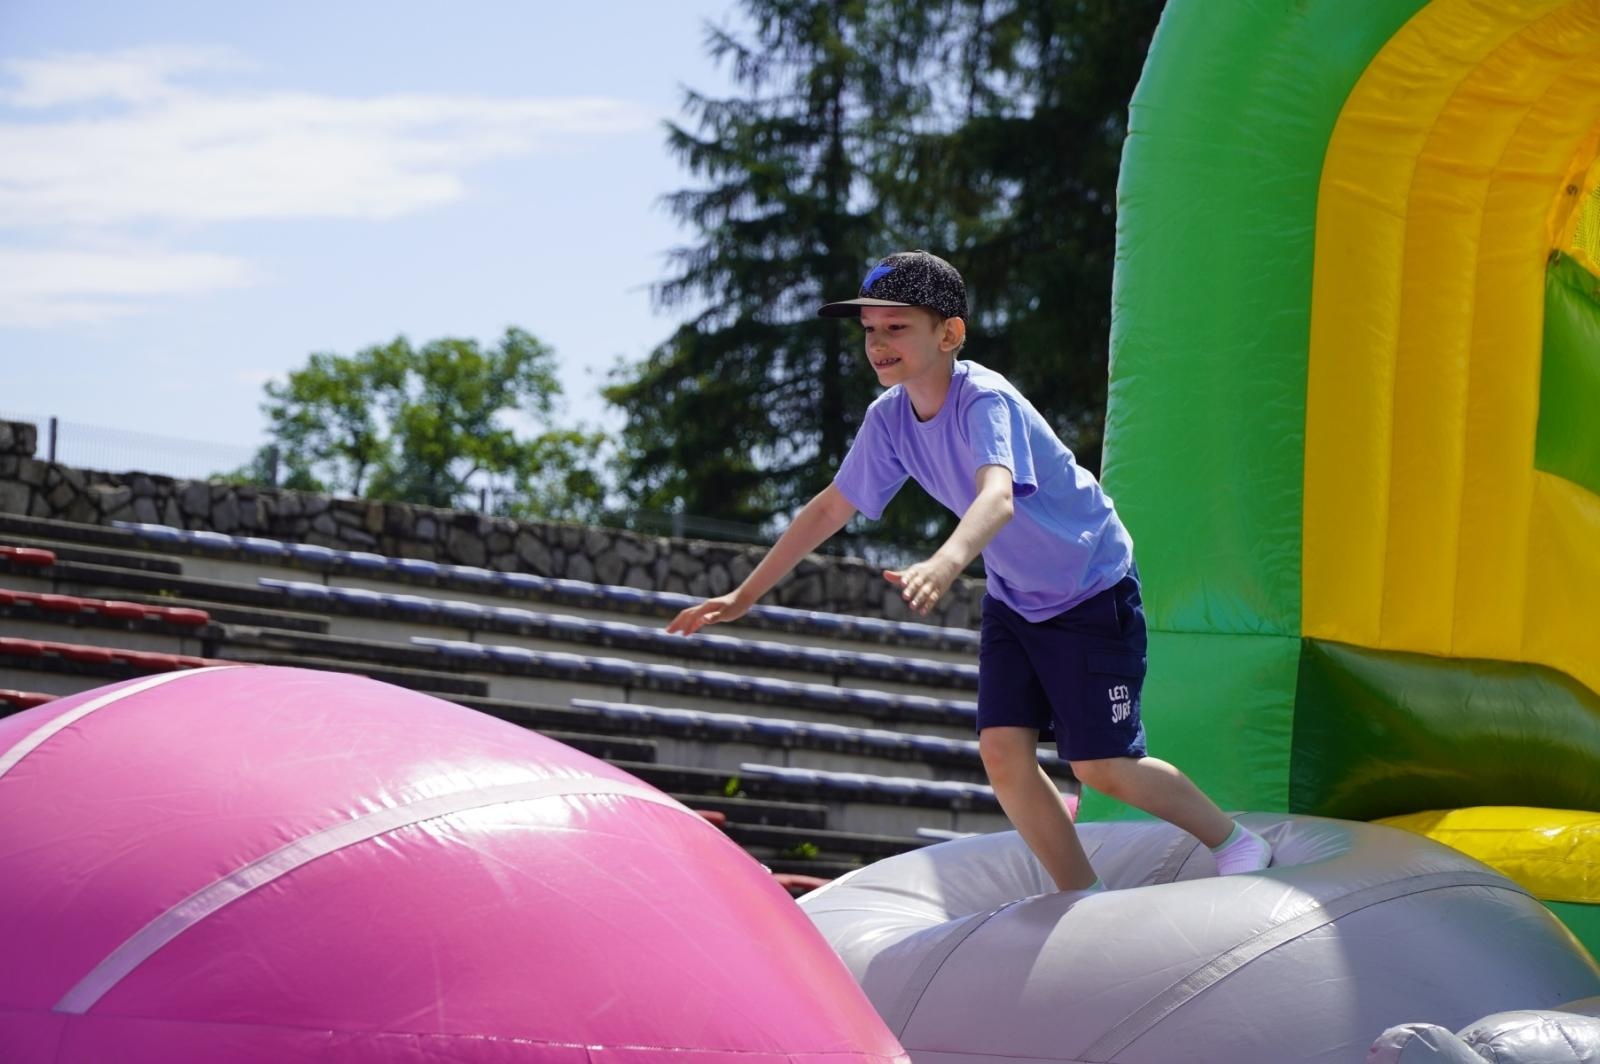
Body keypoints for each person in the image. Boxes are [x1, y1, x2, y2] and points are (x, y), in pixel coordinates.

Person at [666, 250, 1270, 892]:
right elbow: (830, 508)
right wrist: (742, 594)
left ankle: (1235, 841)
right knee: (1002, 754)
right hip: (1017, 598)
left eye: (896, 327)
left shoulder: (984, 399)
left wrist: (947, 561)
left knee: (1101, 766)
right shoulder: (890, 418)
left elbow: (998, 496)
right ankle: (1079, 892)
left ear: (949, 333)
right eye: (869, 329)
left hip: (1089, 586)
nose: (877, 343)